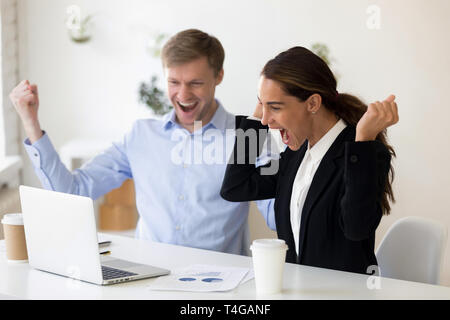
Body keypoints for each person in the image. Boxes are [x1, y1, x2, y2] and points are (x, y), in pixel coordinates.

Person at [9, 29, 276, 255]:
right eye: (174, 82)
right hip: (149, 281)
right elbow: (72, 192)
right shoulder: (141, 136)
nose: (183, 95)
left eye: (195, 83)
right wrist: (31, 122)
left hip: (220, 287)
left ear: (218, 77)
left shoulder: (247, 138)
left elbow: (278, 217)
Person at [220, 46, 398, 274]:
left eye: (274, 107)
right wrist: (256, 120)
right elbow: (235, 188)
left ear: (313, 103)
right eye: (261, 106)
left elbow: (357, 228)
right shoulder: (296, 154)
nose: (265, 120)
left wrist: (363, 141)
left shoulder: (361, 152)